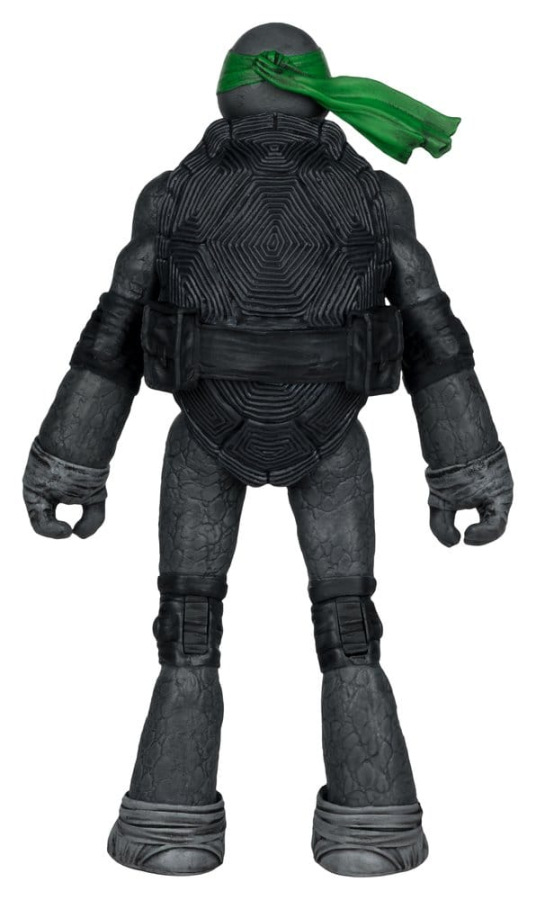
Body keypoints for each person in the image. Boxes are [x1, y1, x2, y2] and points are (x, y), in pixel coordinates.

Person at [23, 22, 513, 877]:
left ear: (228, 94)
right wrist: (466, 465)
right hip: (332, 437)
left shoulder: (172, 196)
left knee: (189, 627)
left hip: (205, 434)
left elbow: (114, 329)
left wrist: (72, 457)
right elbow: (433, 332)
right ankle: (373, 822)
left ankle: (170, 819)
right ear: (319, 96)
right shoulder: (375, 199)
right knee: (348, 624)